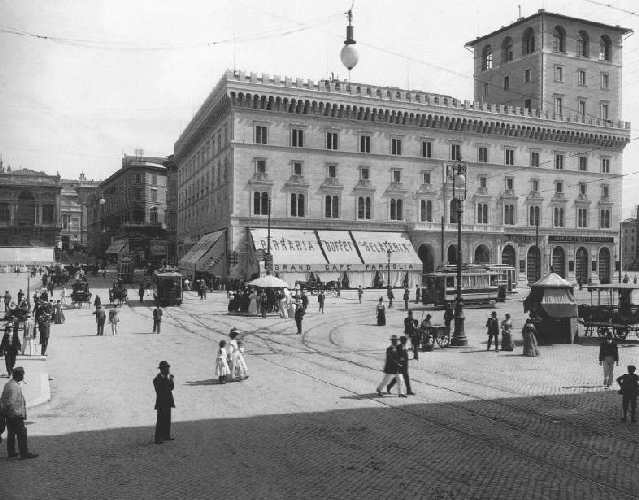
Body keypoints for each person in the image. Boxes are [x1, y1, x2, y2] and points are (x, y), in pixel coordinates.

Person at [0, 367, 37, 459]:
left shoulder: (8, 384)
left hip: (9, 415)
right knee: (22, 434)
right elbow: (11, 402)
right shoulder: (14, 387)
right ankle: (24, 453)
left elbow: (3, 399)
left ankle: (11, 452)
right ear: (18, 375)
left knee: (11, 433)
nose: (23, 376)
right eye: (22, 374)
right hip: (15, 414)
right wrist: (13, 413)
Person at [153, 361, 175, 444]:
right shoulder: (156, 380)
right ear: (162, 370)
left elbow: (171, 388)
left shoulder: (167, 378)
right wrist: (167, 379)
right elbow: (160, 390)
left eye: (168, 368)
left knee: (167, 419)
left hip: (168, 401)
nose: (168, 370)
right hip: (161, 403)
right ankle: (158, 438)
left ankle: (166, 435)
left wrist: (171, 380)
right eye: (166, 368)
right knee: (160, 421)